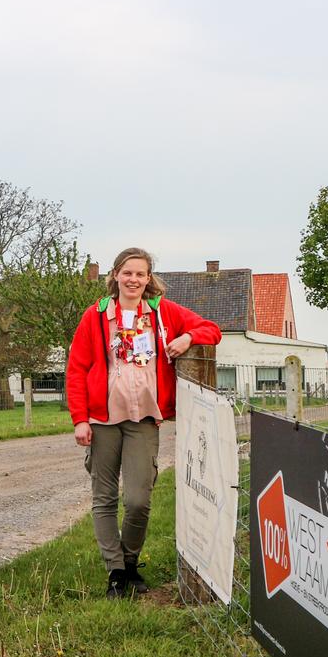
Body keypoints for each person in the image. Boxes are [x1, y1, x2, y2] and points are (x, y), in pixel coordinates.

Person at [65, 247, 221, 598]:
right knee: (104, 498)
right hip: (102, 419)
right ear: (115, 276)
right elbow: (76, 369)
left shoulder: (163, 313)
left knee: (138, 499)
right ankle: (117, 573)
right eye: (127, 272)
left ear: (149, 278)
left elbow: (211, 329)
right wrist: (80, 420)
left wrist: (188, 337)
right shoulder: (97, 316)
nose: (133, 279)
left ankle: (131, 561)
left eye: (140, 274)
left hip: (144, 419)